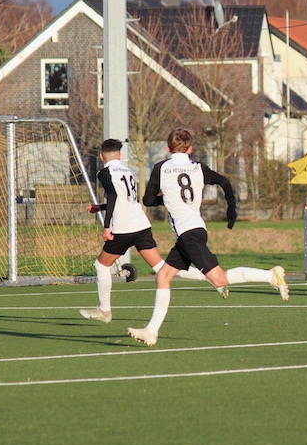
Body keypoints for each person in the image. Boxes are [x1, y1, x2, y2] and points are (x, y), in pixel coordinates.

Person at [128, 128, 289, 346]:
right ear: (190, 149)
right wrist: (232, 209)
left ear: (167, 148)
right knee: (163, 277)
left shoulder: (161, 168)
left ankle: (271, 276)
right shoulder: (198, 168)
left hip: (188, 235)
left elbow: (147, 200)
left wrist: (165, 197)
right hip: (194, 231)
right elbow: (225, 182)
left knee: (219, 279)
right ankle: (151, 331)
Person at [79, 138, 205, 324]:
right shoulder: (127, 171)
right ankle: (208, 275)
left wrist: (106, 227)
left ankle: (105, 310)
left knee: (101, 266)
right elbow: (124, 200)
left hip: (123, 228)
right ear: (119, 155)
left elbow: (113, 196)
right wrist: (101, 207)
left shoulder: (105, 172)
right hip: (141, 224)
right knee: (161, 267)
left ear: (101, 156)